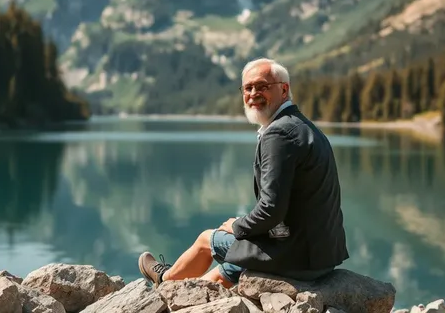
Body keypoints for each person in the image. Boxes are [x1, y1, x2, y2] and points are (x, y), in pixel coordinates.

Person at [138, 57, 349, 288]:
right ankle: (177, 294)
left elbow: (271, 209)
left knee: (207, 239)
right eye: (248, 88)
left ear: (284, 89)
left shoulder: (279, 134)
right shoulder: (304, 127)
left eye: (263, 86)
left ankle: (163, 280)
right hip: (322, 256)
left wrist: (237, 226)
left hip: (297, 257)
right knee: (227, 269)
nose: (253, 93)